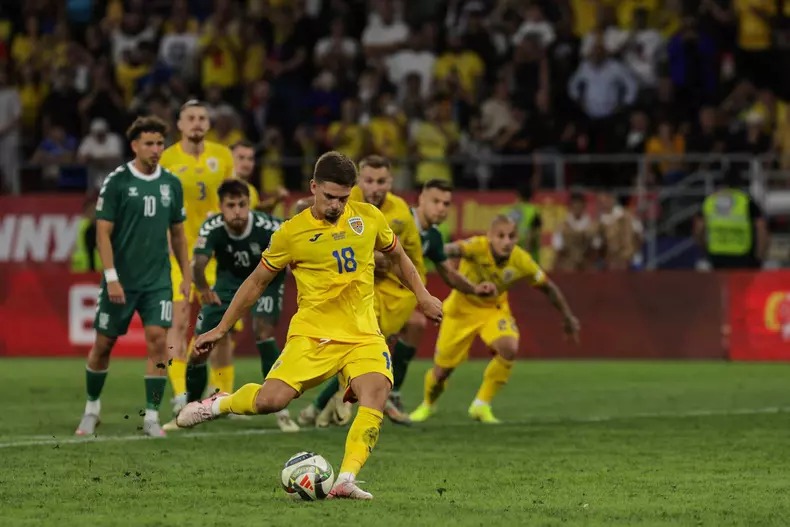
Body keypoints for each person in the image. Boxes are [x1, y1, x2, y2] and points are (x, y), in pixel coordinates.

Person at [176, 151, 443, 499]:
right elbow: (255, 283)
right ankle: (217, 404)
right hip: (313, 335)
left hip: (363, 334)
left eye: (343, 198)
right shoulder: (291, 233)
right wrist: (221, 328)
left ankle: (346, 478)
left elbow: (398, 257)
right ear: (314, 187)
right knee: (270, 401)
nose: (336, 205)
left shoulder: (368, 217)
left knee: (375, 393)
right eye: (329, 196)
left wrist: (423, 295)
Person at [75, 116, 190, 438]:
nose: (156, 149)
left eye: (160, 143)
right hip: (122, 281)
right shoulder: (117, 182)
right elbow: (102, 233)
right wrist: (111, 277)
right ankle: (92, 409)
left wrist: (186, 274)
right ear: (135, 146)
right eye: (149, 143)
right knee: (103, 344)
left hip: (157, 281)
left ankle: (151, 416)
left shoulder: (171, 184)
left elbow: (178, 234)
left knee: (158, 341)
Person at [410, 215, 580, 424]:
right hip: (461, 310)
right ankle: (428, 404)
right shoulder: (477, 246)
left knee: (509, 347)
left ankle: (481, 405)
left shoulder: (521, 260)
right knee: (442, 372)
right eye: (501, 236)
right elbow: (451, 249)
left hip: (493, 309)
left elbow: (549, 287)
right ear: (490, 236)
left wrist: (568, 316)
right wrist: (429, 248)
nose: (506, 241)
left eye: (511, 236)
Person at [297, 155, 426, 426]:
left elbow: (400, 259)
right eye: (369, 181)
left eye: (381, 181)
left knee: (378, 338)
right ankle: (333, 402)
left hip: (390, 287)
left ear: (390, 182)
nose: (375, 187)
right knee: (358, 344)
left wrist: (418, 292)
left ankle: (347, 399)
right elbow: (306, 208)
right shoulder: (345, 197)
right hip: (351, 284)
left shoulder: (400, 213)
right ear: (359, 182)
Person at [185, 178, 298, 431]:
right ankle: (189, 407)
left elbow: (295, 243)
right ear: (221, 207)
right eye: (231, 205)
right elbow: (198, 264)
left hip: (267, 282)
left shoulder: (268, 226)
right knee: (200, 345)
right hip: (227, 285)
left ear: (249, 204)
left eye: (242, 204)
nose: (237, 210)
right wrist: (204, 289)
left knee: (263, 331)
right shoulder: (212, 226)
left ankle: (281, 411)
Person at [159, 100, 235, 425]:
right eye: (190, 117)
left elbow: (233, 200)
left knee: (222, 329)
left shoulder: (223, 156)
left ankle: (222, 394)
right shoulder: (167, 159)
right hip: (179, 257)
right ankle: (180, 394)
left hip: (215, 256)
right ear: (179, 124)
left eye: (202, 117)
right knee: (177, 323)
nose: (197, 122)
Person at [694, 168, 768, 270]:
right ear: (740, 183)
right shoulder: (747, 201)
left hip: (716, 255)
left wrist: (704, 249)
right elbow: (761, 229)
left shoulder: (710, 200)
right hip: (742, 255)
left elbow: (698, 229)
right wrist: (759, 257)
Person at [230, 140, 289, 214]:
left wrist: (276, 200)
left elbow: (256, 214)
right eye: (241, 158)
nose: (246, 163)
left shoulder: (251, 190)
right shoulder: (221, 186)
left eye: (250, 159)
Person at [505, 183, 542, 260]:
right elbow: (532, 236)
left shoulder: (507, 211)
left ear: (517, 195)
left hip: (509, 259)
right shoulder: (533, 212)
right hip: (528, 259)